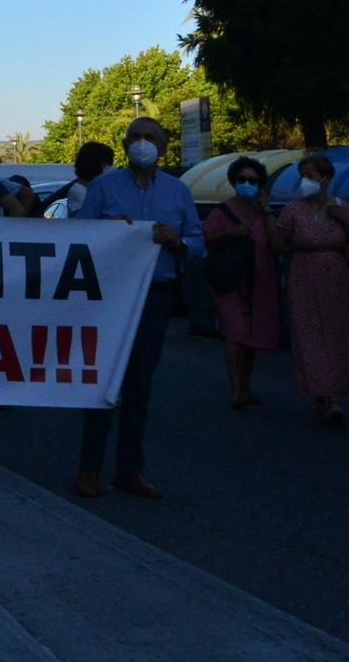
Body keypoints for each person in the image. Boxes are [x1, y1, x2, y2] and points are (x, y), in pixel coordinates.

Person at [71, 117, 204, 500]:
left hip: (155, 297)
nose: (142, 143)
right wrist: (108, 232)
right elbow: (77, 239)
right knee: (103, 383)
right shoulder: (102, 187)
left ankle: (130, 470)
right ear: (126, 143)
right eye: (136, 138)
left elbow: (198, 242)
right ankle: (89, 469)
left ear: (163, 147)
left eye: (151, 138)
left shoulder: (178, 192)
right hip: (108, 298)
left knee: (139, 388)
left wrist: (177, 241)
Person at [270, 152, 349, 425]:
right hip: (304, 276)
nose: (306, 181)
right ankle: (318, 393)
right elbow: (277, 244)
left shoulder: (341, 207)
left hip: (336, 276)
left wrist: (345, 222)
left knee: (338, 334)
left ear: (327, 178)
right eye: (304, 176)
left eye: (311, 176)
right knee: (309, 336)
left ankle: (334, 396)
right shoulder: (293, 210)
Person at [202, 157, 281, 409]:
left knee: (252, 335)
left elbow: (277, 243)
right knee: (235, 332)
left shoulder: (263, 212)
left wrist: (267, 210)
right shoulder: (222, 211)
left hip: (260, 280)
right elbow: (204, 238)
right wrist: (230, 234)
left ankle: (245, 387)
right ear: (233, 182)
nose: (247, 184)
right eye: (241, 180)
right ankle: (236, 389)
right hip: (230, 280)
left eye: (252, 180)